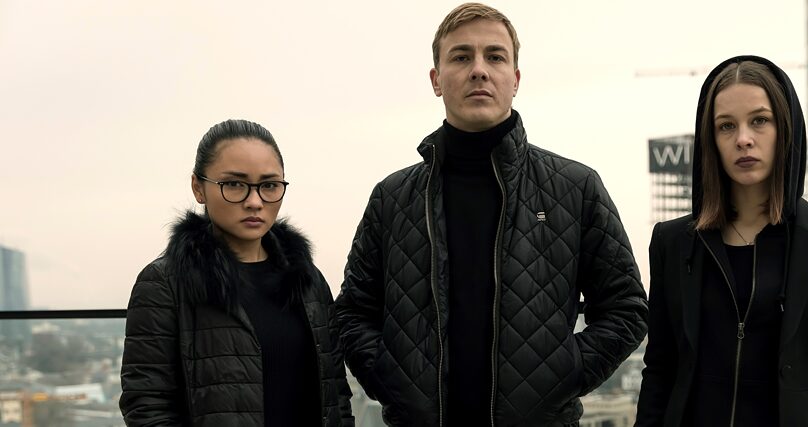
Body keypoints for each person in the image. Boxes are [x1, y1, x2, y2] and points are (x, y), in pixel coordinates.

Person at [334, 3, 648, 426]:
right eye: (461, 57)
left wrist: (562, 373)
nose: (479, 70)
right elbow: (352, 313)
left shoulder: (575, 188)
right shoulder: (392, 198)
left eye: (495, 56)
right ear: (436, 80)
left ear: (515, 79)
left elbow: (627, 309)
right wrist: (390, 379)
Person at [635, 55, 808, 427]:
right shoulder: (673, 242)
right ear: (711, 141)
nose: (743, 139)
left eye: (759, 121)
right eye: (726, 126)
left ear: (785, 128)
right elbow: (660, 369)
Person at [119, 119, 353, 426]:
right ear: (198, 187)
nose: (254, 202)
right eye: (234, 184)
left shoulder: (307, 280)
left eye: (269, 185)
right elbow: (147, 406)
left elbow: (335, 395)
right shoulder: (164, 284)